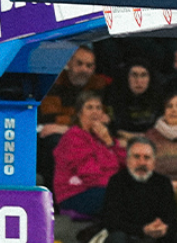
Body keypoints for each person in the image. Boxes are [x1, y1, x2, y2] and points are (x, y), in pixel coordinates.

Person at [37, 45, 111, 188]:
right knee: (57, 142)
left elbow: (105, 118)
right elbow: (50, 119)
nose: (84, 69)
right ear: (69, 63)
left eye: (89, 65)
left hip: (82, 133)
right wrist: (85, 123)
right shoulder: (54, 81)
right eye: (79, 64)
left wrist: (66, 127)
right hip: (51, 136)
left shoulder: (98, 84)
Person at [52, 89, 126, 220]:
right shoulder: (73, 137)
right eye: (89, 107)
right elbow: (90, 175)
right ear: (80, 113)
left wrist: (109, 142)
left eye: (98, 108)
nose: (95, 112)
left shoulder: (103, 137)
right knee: (121, 198)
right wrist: (119, 185)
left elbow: (126, 164)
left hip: (102, 188)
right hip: (76, 193)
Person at [106, 61, 162, 139]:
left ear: (150, 78)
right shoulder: (113, 98)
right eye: (134, 75)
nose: (139, 81)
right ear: (127, 77)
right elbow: (111, 129)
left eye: (143, 75)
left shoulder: (160, 99)